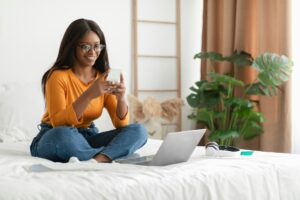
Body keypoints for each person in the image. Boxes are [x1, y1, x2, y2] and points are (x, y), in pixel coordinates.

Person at [30, 18, 148, 163]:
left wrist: (121, 98)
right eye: (85, 46)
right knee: (62, 134)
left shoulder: (103, 77)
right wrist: (89, 94)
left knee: (138, 131)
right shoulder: (57, 76)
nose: (93, 52)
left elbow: (122, 126)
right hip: (55, 135)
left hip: (87, 137)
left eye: (97, 46)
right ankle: (111, 154)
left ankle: (98, 159)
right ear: (72, 46)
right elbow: (58, 123)